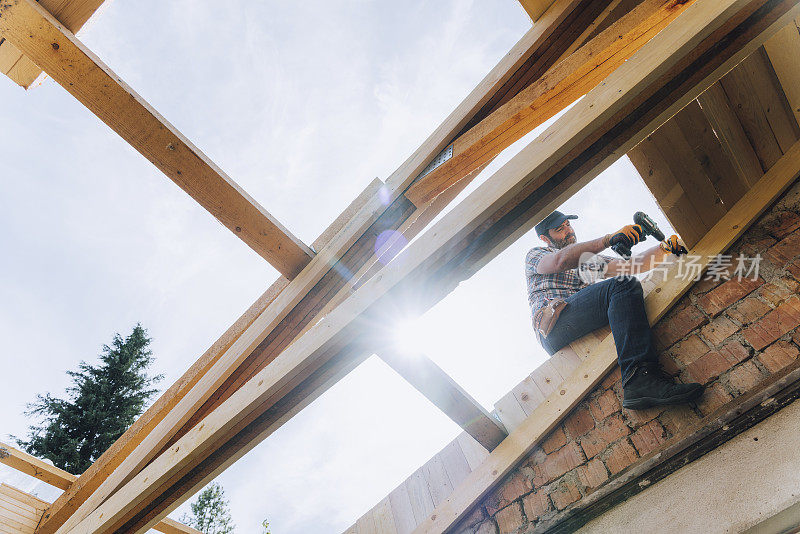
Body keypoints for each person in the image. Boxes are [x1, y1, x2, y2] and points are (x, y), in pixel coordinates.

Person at [526, 210, 703, 409]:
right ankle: (640, 380)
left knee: (625, 282)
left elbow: (630, 267)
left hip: (577, 318)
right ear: (545, 238)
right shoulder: (537, 254)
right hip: (553, 326)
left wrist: (663, 249)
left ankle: (641, 378)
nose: (568, 231)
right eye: (560, 229)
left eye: (568, 225)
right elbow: (561, 261)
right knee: (621, 285)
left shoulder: (586, 261)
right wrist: (609, 239)